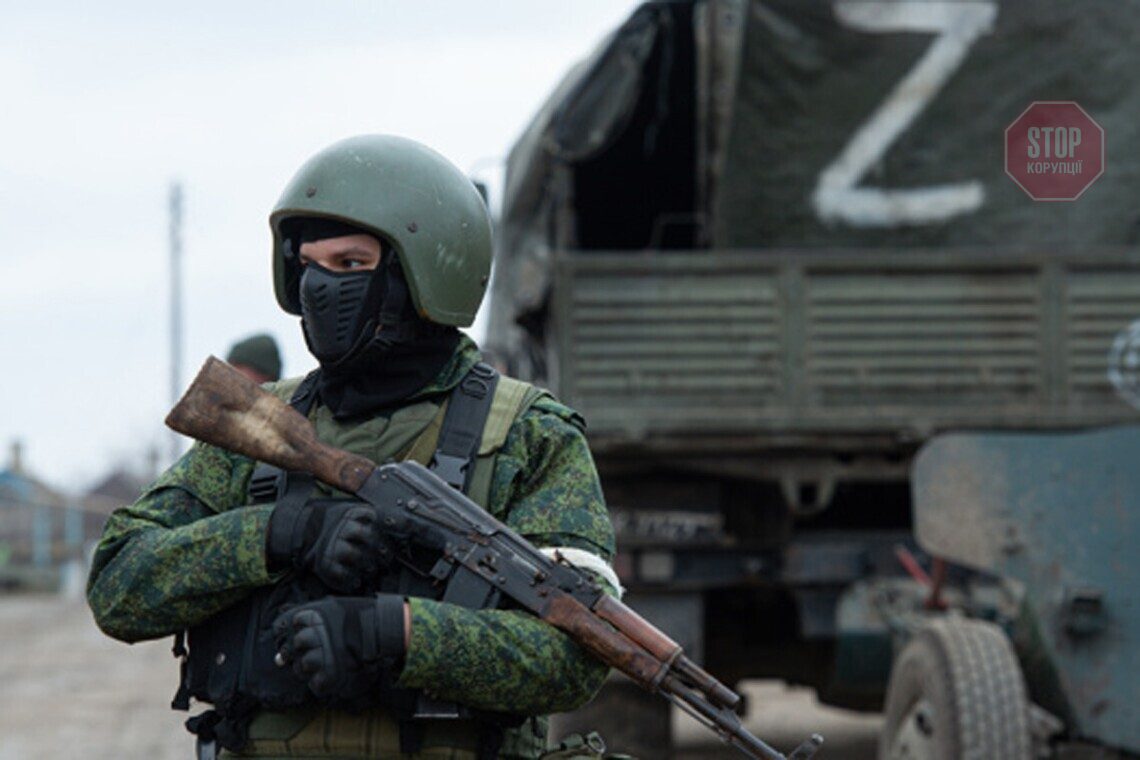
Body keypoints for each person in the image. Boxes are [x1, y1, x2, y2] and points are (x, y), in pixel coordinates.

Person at [87, 135, 620, 760]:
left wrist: (398, 635)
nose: (319, 287)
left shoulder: (529, 435)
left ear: (425, 275)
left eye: (349, 264)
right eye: (308, 265)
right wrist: (279, 533)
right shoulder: (258, 429)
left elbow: (577, 657)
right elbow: (118, 585)